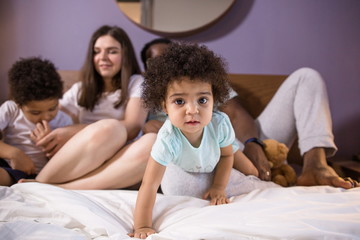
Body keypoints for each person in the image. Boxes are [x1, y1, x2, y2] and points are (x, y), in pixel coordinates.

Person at [139, 38, 359, 189]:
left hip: (247, 140)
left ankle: (315, 166)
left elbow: (235, 113)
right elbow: (147, 133)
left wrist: (254, 143)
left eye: (170, 57)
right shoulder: (146, 98)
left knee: (307, 76)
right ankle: (265, 185)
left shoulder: (205, 82)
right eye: (155, 60)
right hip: (210, 157)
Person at [130, 42, 258, 239]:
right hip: (189, 166)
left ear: (214, 100)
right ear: (165, 106)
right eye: (179, 101)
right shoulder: (167, 137)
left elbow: (226, 156)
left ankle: (269, 178)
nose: (193, 110)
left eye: (202, 100)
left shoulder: (219, 122)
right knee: (181, 187)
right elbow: (149, 184)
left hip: (218, 154)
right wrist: (142, 226)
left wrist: (218, 187)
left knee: (252, 173)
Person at [20, 25, 156, 189]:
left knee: (150, 142)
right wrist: (44, 131)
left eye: (112, 51)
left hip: (120, 163)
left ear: (125, 55)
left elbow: (133, 127)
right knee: (109, 128)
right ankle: (42, 182)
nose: (103, 57)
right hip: (84, 160)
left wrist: (74, 130)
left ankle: (58, 187)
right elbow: (51, 116)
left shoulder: (137, 82)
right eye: (97, 51)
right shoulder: (81, 88)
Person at [0, 57, 72, 186]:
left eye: (52, 108)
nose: (46, 117)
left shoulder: (64, 121)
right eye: (35, 113)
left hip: (35, 174)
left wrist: (50, 147)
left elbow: (66, 162)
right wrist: (14, 153)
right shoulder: (11, 109)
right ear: (19, 104)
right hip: (8, 163)